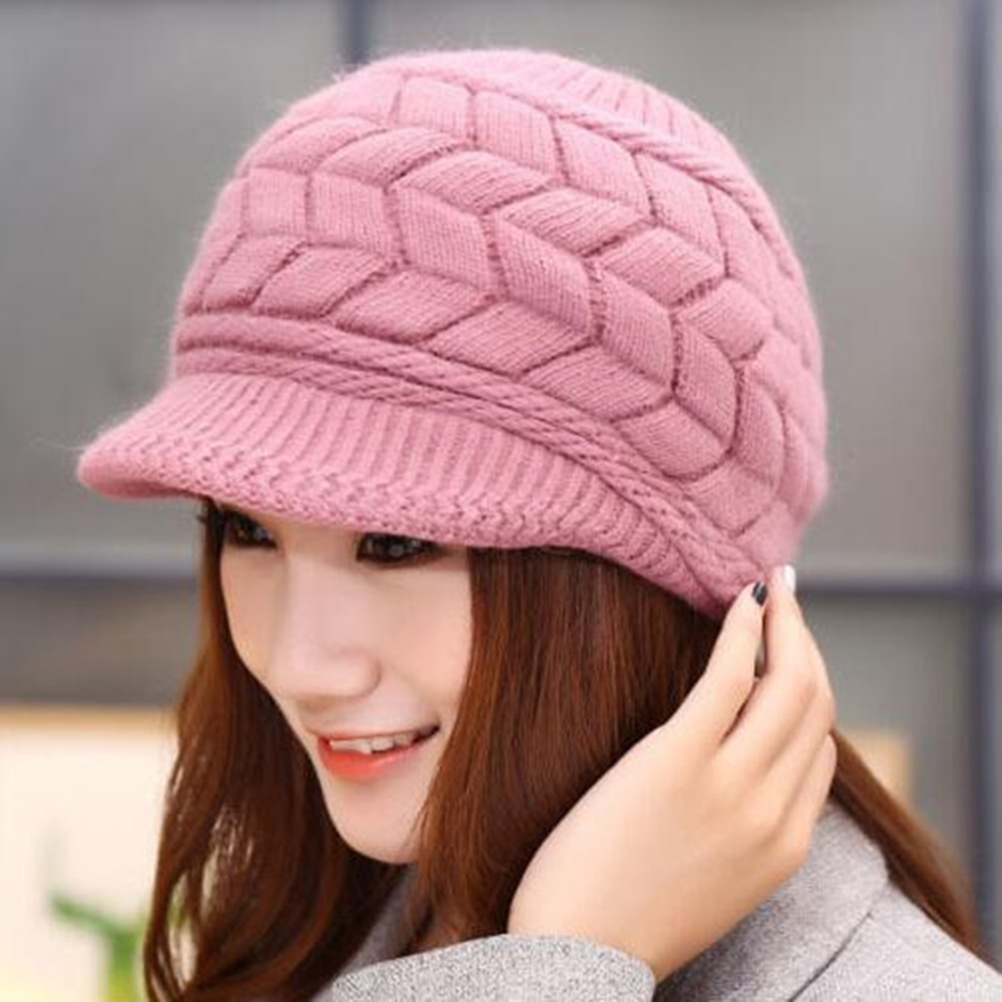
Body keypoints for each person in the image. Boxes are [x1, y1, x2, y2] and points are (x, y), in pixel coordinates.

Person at [73, 46, 1001, 1001]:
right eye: (245, 530)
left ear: (646, 579)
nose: (301, 664)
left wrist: (558, 967)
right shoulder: (334, 918)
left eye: (395, 543)